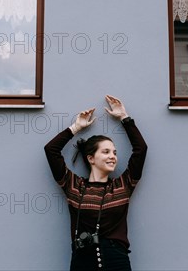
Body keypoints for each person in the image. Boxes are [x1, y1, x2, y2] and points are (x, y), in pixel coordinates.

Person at [44, 95, 148, 271]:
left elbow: (141, 149)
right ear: (91, 158)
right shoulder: (74, 186)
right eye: (106, 152)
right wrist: (75, 127)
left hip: (117, 261)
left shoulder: (122, 185)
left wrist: (124, 118)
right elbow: (51, 150)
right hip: (82, 261)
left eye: (114, 152)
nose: (112, 156)